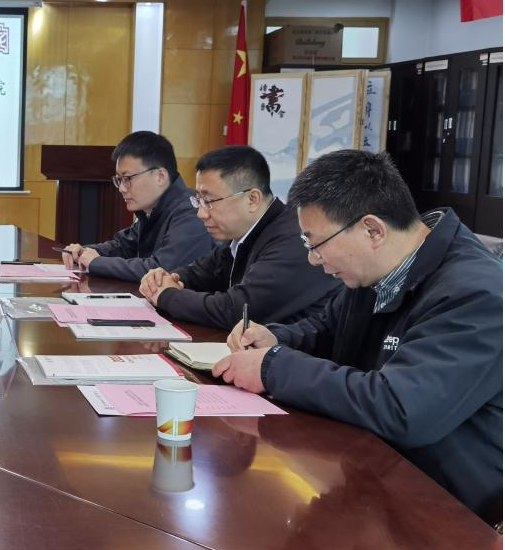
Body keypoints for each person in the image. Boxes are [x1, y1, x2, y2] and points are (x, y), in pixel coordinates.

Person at [213, 150, 503, 523]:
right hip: (371, 475)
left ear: (372, 230)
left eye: (315, 244)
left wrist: (273, 368)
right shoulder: (379, 268)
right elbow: (326, 330)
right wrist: (274, 339)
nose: (313, 260)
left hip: (443, 509)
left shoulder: (477, 294)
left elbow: (403, 408)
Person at [139, 145, 341, 329]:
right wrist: (168, 278)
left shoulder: (293, 239)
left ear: (252, 199)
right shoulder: (247, 232)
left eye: (209, 201)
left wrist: (167, 295)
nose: (201, 213)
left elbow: (236, 311)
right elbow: (204, 272)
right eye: (198, 200)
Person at [62, 131, 212, 279]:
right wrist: (83, 252)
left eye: (127, 178)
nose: (121, 188)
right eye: (119, 180)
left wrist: (96, 262)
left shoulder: (191, 212)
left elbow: (162, 269)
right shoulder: (153, 209)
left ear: (160, 177)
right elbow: (122, 247)